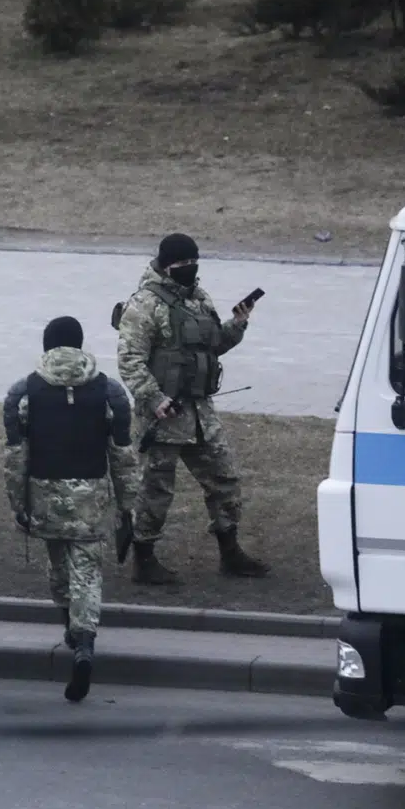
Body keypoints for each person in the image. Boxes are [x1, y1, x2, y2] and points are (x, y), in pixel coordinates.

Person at [115, 232, 270, 585]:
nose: (189, 269)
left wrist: (238, 324)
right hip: (163, 416)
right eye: (182, 264)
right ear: (166, 265)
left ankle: (230, 552)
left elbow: (212, 346)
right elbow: (129, 360)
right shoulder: (144, 305)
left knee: (224, 479)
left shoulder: (199, 299)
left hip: (200, 413)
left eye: (193, 262)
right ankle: (144, 558)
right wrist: (154, 400)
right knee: (156, 489)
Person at [2, 315, 139, 703]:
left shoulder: (23, 393)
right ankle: (84, 644)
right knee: (87, 575)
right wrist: (127, 508)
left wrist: (18, 504)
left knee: (59, 569)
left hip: (45, 498)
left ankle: (67, 624)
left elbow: (15, 457)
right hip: (91, 500)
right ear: (80, 346)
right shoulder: (109, 392)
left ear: (47, 347)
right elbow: (123, 457)